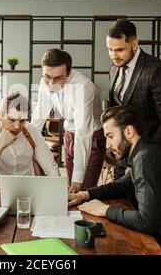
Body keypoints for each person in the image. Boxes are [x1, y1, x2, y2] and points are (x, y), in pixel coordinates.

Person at [68, 106, 161, 255]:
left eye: (110, 136)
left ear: (129, 132)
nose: (107, 145)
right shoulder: (145, 154)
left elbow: (146, 222)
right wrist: (84, 195)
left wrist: (104, 210)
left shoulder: (146, 159)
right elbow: (121, 186)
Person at [106, 18, 161, 179]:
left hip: (151, 159)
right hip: (122, 157)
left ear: (134, 44)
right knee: (120, 203)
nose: (113, 55)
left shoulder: (157, 70)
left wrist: (143, 159)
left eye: (119, 50)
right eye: (109, 49)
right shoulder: (113, 68)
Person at [31, 48, 105, 193]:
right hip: (69, 135)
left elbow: (83, 133)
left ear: (68, 73)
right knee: (70, 191)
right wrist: (26, 141)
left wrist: (78, 180)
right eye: (47, 77)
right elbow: (38, 117)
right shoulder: (44, 82)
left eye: (58, 78)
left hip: (91, 139)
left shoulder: (82, 87)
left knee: (83, 191)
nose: (52, 83)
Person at [0, 92, 60, 192]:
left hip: (30, 194)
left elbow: (51, 168)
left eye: (22, 121)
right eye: (12, 120)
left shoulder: (32, 131)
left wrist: (58, 194)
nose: (17, 126)